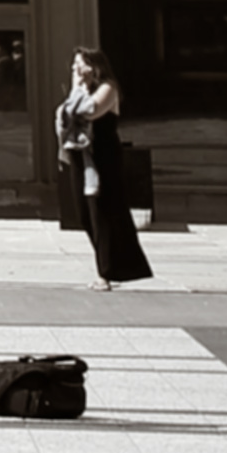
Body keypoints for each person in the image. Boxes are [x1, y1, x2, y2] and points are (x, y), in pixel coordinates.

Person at [61, 47, 152, 292]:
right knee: (83, 213)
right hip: (81, 155)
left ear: (93, 66)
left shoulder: (108, 88)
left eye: (78, 64)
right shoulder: (81, 90)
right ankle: (110, 265)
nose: (74, 70)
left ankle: (106, 272)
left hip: (102, 156)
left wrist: (79, 87)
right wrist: (77, 86)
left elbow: (89, 110)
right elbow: (66, 113)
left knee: (102, 212)